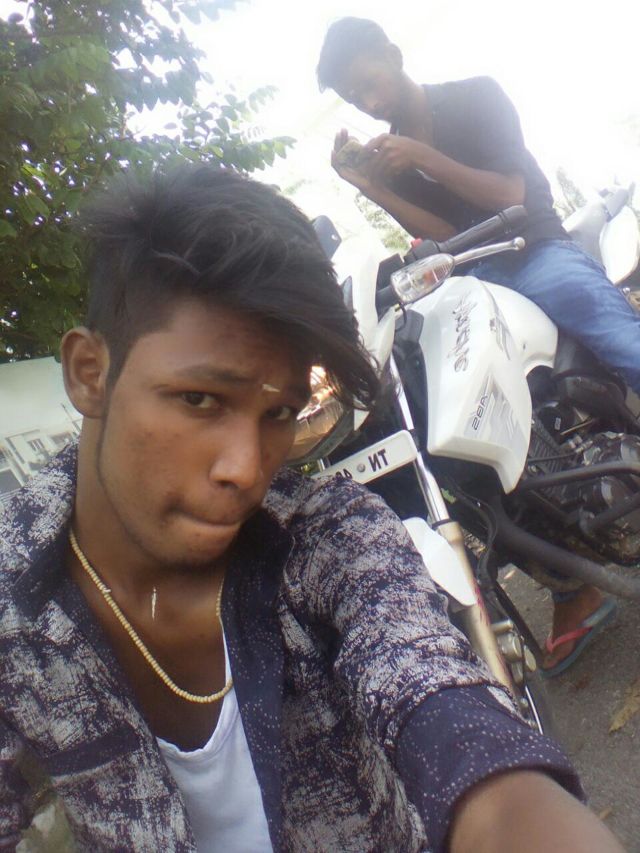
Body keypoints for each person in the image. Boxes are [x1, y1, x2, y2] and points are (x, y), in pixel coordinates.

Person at [0, 165, 624, 853]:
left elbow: (435, 694)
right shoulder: (11, 589)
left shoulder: (327, 536)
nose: (246, 468)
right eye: (200, 399)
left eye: (279, 414)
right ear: (89, 373)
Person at [317, 16, 638, 677]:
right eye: (353, 97)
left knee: (616, 336)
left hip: (534, 249)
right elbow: (441, 229)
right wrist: (372, 187)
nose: (369, 103)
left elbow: (510, 193)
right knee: (458, 434)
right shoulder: (396, 158)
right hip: (474, 274)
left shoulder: (475, 97)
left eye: (370, 83)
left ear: (393, 56)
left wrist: (420, 156)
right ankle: (570, 582)